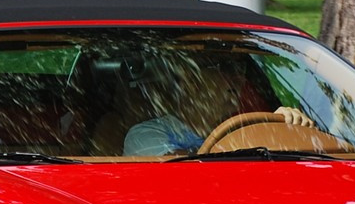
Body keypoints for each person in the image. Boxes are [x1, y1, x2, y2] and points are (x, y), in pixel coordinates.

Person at [122, 63, 312, 156]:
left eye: (239, 73)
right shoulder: (144, 134)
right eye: (224, 70)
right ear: (191, 82)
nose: (238, 80)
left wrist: (285, 130)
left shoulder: (241, 132)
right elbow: (184, 171)